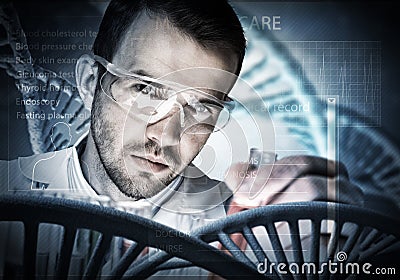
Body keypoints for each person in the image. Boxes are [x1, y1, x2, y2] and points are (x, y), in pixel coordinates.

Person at [0, 0, 363, 277]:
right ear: (90, 83)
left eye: (201, 106)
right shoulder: (7, 195)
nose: (166, 135)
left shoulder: (240, 231)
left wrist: (331, 243)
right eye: (145, 89)